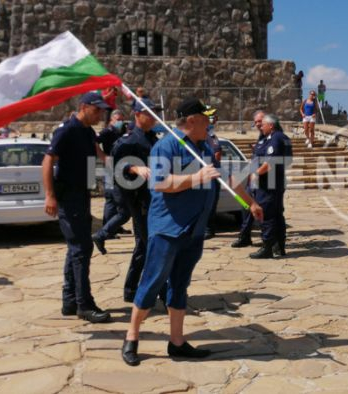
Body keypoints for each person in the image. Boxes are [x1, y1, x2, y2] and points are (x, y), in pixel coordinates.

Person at [121, 97, 263, 366]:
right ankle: (132, 337)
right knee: (152, 282)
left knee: (180, 286)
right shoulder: (167, 145)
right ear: (192, 121)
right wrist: (196, 178)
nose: (210, 122)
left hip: (194, 230)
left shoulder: (204, 146)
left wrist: (251, 202)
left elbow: (225, 177)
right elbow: (160, 183)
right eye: (206, 117)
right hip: (168, 229)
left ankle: (177, 342)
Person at [42, 92, 111, 323]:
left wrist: (128, 169)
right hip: (68, 196)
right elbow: (47, 161)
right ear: (84, 106)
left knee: (75, 248)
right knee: (82, 249)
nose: (100, 114)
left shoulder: (88, 132)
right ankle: (85, 304)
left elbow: (102, 157)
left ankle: (70, 300)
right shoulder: (67, 130)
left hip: (82, 194)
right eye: (97, 109)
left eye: (102, 110)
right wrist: (50, 196)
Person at [111, 98, 164, 303]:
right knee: (151, 245)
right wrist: (134, 168)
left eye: (155, 113)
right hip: (140, 200)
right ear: (137, 114)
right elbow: (116, 169)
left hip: (155, 199)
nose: (153, 117)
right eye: (149, 113)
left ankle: (132, 289)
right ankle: (158, 289)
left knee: (145, 247)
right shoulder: (129, 139)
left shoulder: (154, 138)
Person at [249, 114, 293, 259]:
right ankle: (279, 247)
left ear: (271, 125)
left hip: (269, 184)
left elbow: (271, 161)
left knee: (266, 213)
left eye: (263, 125)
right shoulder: (282, 137)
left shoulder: (275, 138)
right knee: (277, 214)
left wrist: (256, 173)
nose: (261, 126)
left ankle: (267, 247)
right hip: (276, 182)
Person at [93, 110, 131, 254]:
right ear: (111, 119)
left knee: (114, 200)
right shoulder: (107, 131)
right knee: (111, 198)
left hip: (119, 166)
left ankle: (113, 227)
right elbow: (95, 142)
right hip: (111, 166)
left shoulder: (120, 130)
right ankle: (107, 229)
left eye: (122, 118)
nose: (121, 121)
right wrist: (103, 157)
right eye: (118, 118)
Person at [231, 109, 266, 248]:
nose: (258, 124)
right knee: (246, 206)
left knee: (263, 211)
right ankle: (245, 236)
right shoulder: (261, 137)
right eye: (256, 121)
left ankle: (268, 241)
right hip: (253, 179)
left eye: (260, 121)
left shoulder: (272, 137)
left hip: (264, 181)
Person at [204, 110, 222, 240]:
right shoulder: (202, 137)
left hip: (211, 175)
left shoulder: (211, 137)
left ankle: (209, 229)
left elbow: (217, 154)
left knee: (210, 204)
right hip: (202, 175)